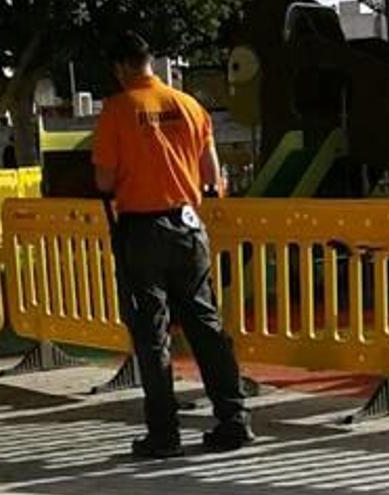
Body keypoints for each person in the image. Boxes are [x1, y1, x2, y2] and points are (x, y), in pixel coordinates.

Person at [91, 31, 253, 459]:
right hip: (188, 225)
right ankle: (233, 419)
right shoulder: (189, 105)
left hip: (142, 230)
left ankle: (163, 433)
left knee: (151, 334)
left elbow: (104, 181)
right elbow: (209, 174)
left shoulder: (117, 109)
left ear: (122, 66)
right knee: (206, 325)